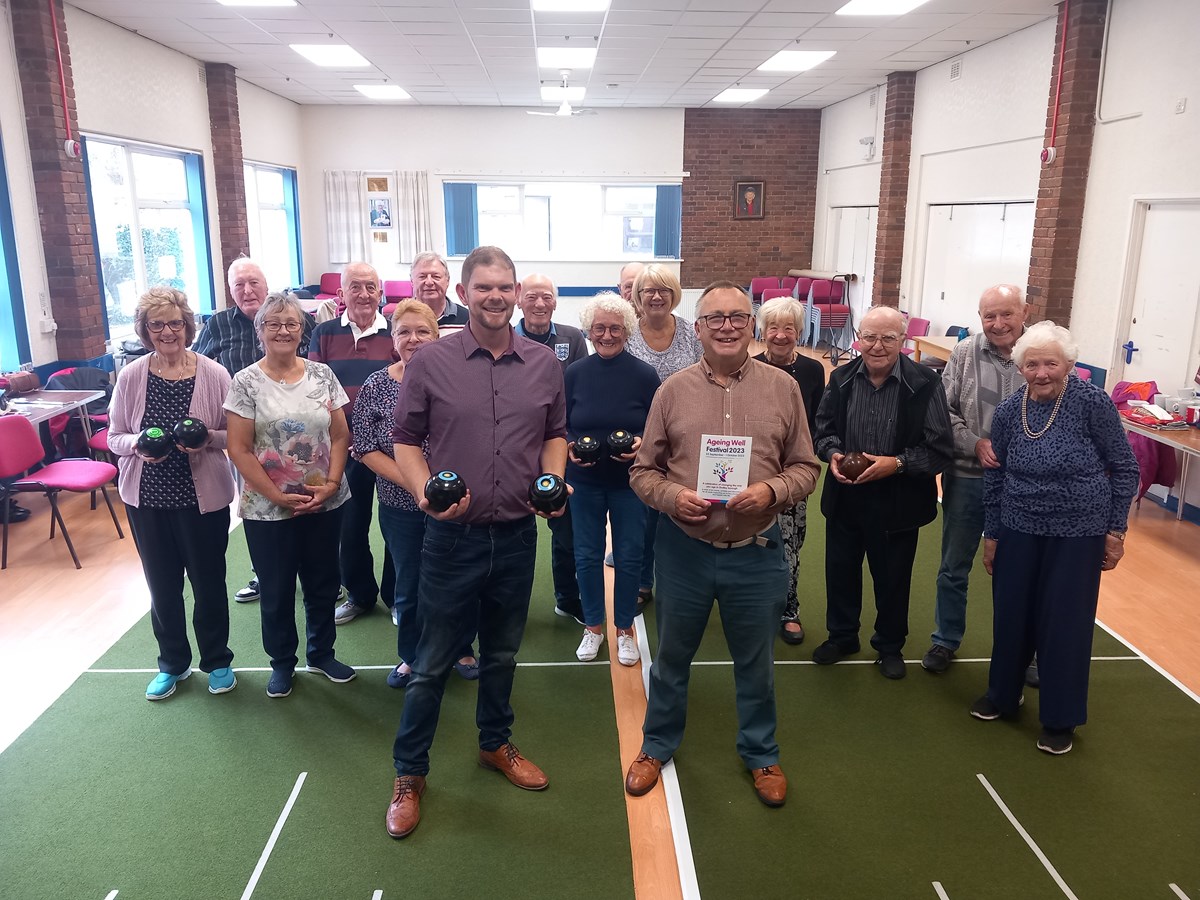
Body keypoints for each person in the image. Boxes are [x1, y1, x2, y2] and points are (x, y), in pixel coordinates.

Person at [385, 246, 567, 839]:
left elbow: (555, 435)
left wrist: (556, 480)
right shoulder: (430, 361)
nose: (495, 297)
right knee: (433, 662)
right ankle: (409, 774)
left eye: (505, 287)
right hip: (451, 540)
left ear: (517, 294)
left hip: (516, 536)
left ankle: (495, 744)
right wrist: (422, 494)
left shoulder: (544, 363)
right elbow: (406, 441)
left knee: (503, 655)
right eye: (483, 288)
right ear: (464, 294)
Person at [625, 281, 820, 807]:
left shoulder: (784, 389)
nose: (728, 326)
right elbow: (643, 473)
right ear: (700, 327)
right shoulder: (672, 391)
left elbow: (807, 467)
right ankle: (656, 745)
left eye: (737, 316)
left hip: (757, 553)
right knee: (671, 658)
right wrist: (671, 497)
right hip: (684, 551)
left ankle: (761, 753)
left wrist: (771, 491)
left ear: (751, 324)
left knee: (755, 662)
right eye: (715, 318)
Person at [970, 321, 1137, 755]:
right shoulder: (1009, 412)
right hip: (1019, 525)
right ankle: (1003, 695)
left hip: (1078, 531)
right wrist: (992, 534)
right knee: (1011, 614)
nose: (1041, 372)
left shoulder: (1092, 402)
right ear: (1019, 366)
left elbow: (1125, 468)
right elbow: (996, 475)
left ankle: (1061, 718)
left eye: (1051, 363)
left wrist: (1115, 530)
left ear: (1069, 364)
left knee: (1064, 624)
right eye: (1032, 364)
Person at [224, 293, 356, 699]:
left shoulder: (322, 375)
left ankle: (321, 654)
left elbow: (340, 435)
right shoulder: (245, 381)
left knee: (322, 582)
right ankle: (282, 663)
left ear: (303, 329)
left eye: (292, 323)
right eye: (274, 324)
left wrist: (331, 485)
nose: (283, 330)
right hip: (268, 509)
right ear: (260, 330)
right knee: (277, 588)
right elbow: (239, 449)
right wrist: (278, 496)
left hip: (324, 501)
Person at [108, 287, 237, 700]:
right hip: (148, 501)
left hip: (203, 501)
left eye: (175, 322)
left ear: (188, 325)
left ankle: (216, 661)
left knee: (208, 584)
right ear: (145, 331)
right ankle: (173, 664)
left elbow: (235, 435)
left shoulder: (215, 374)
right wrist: (139, 446)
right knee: (162, 587)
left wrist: (205, 441)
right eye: (157, 324)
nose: (167, 331)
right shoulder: (131, 376)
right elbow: (114, 437)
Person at [811, 305, 953, 680]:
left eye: (888, 337)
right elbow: (822, 430)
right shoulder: (840, 378)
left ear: (902, 340)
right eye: (870, 336)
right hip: (846, 494)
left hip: (899, 499)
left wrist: (898, 463)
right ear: (858, 337)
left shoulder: (925, 383)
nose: (877, 345)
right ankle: (842, 636)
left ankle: (889, 646)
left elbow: (939, 448)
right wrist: (833, 454)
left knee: (892, 578)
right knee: (840, 571)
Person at [351, 300, 475, 689]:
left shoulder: (461, 382)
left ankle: (461, 647)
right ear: (393, 338)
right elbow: (366, 447)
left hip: (456, 504)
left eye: (422, 331)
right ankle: (412, 655)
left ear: (437, 337)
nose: (414, 339)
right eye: (404, 332)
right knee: (410, 580)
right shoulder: (376, 385)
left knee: (457, 578)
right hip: (400, 505)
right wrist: (416, 481)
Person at [193, 257, 315, 604]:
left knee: (308, 501)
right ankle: (265, 573)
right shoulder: (217, 325)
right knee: (259, 505)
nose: (247, 290)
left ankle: (315, 572)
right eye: (238, 285)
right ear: (230, 291)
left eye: (253, 283)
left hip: (297, 432)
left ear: (266, 284)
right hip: (244, 434)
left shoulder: (296, 318)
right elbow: (199, 368)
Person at [922, 284, 1028, 674]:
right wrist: (974, 443)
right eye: (989, 316)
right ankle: (945, 640)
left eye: (1006, 314)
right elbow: (941, 412)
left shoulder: (1039, 355)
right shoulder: (965, 352)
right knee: (954, 565)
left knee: (1021, 571)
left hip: (1025, 488)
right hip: (967, 477)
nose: (998, 324)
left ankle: (1025, 651)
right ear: (980, 317)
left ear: (1025, 312)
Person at [565, 293, 660, 664]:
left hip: (630, 483)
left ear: (627, 331)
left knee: (630, 556)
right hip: (584, 481)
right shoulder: (574, 373)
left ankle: (624, 629)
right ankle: (592, 627)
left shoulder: (644, 374)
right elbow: (563, 424)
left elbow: (656, 427)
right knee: (587, 556)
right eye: (600, 328)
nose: (607, 335)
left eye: (615, 328)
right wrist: (572, 445)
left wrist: (640, 444)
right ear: (589, 331)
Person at [307, 262, 397, 627]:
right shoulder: (324, 334)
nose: (363, 294)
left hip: (391, 450)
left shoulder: (396, 332)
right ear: (340, 295)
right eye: (354, 287)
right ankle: (359, 594)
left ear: (380, 293)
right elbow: (315, 393)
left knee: (396, 524)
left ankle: (396, 596)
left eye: (370, 287)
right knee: (350, 526)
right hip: (343, 450)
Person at [626, 264, 702, 609]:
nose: (656, 297)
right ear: (637, 296)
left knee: (681, 512)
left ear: (675, 295)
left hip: (684, 438)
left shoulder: (691, 334)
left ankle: (684, 581)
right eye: (648, 291)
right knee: (642, 516)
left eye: (664, 290)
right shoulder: (625, 333)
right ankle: (642, 580)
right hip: (637, 439)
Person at [516, 273, 589, 623]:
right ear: (519, 300)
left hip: (559, 445)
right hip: (514, 447)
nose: (539, 304)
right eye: (531, 296)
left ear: (556, 302)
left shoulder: (573, 338)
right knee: (513, 530)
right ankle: (508, 604)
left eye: (546, 296)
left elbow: (582, 393)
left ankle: (567, 597)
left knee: (565, 530)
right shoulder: (506, 337)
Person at [753, 297, 825, 646]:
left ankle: (789, 609)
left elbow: (815, 423)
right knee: (753, 540)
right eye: (773, 327)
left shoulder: (813, 371)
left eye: (789, 328)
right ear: (762, 331)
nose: (780, 335)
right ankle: (754, 604)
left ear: (799, 331)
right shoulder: (749, 367)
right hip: (755, 472)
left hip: (794, 473)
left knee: (791, 544)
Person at [411, 251, 469, 328]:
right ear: (412, 281)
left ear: (447, 280)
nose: (429, 282)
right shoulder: (398, 320)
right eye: (422, 277)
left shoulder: (468, 320)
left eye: (436, 276)